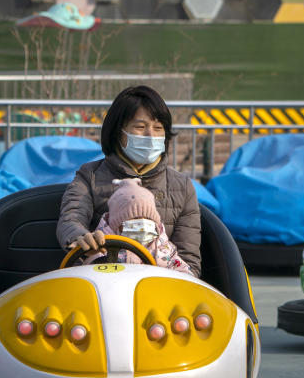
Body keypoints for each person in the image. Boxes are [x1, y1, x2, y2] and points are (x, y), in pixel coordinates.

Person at [56, 85, 201, 276]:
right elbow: (70, 219)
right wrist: (83, 240)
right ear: (118, 132)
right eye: (140, 127)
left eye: (158, 128)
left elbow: (189, 259)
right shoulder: (89, 175)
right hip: (102, 280)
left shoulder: (181, 186)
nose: (151, 135)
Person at [85, 178, 192, 274]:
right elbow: (91, 271)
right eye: (133, 219)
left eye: (147, 219)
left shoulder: (163, 248)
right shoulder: (103, 247)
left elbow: (183, 274)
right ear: (115, 224)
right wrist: (94, 254)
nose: (142, 223)